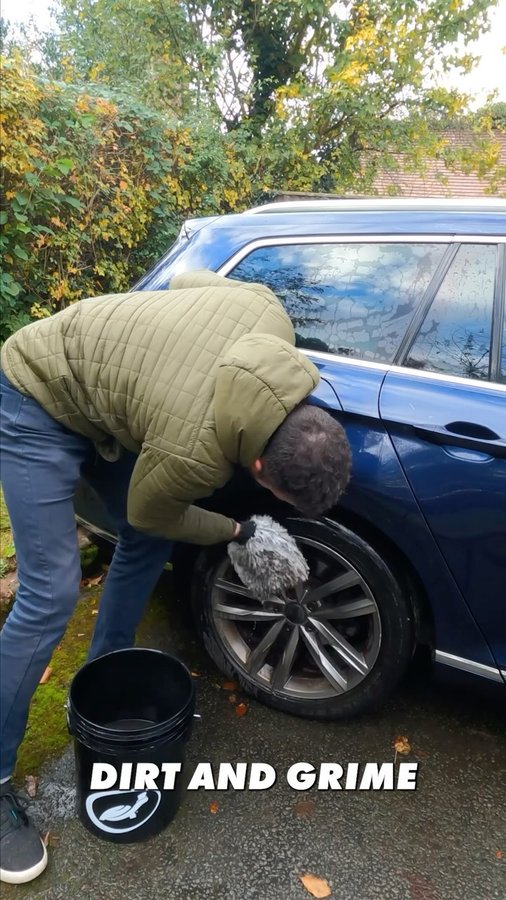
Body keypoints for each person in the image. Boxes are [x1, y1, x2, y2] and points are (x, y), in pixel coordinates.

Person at [0, 269, 351, 883]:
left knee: (148, 540)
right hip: (34, 393)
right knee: (49, 594)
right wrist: (239, 531)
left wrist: (153, 364)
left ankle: (104, 676)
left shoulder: (268, 313)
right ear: (259, 464)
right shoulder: (196, 451)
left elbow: (187, 279)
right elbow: (150, 510)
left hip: (101, 399)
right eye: (277, 494)